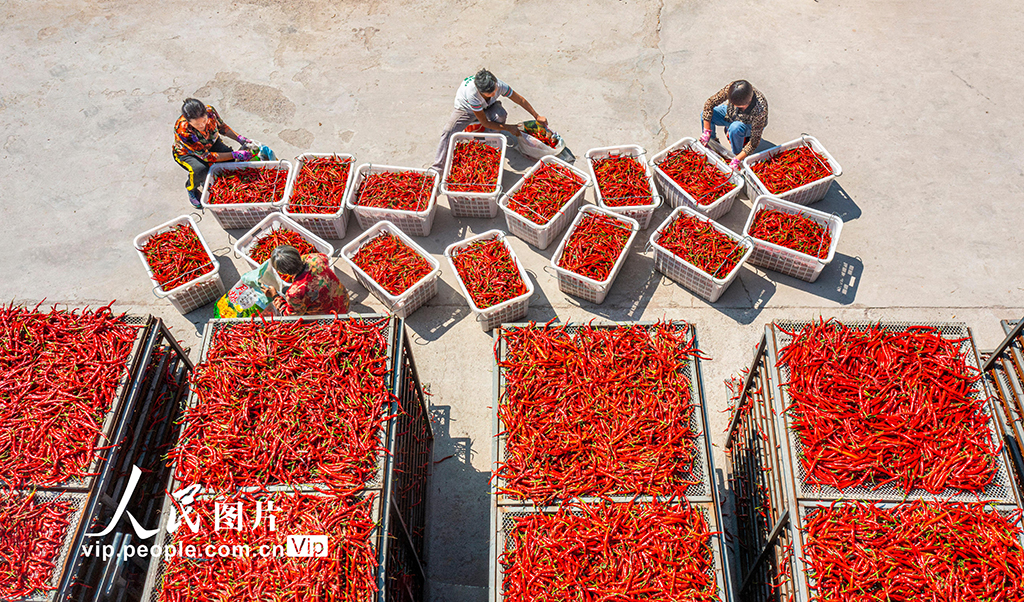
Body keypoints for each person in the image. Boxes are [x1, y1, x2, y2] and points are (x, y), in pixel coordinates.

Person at [431, 69, 548, 173]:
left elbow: (520, 100)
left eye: (495, 91)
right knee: (448, 131)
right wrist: (508, 128)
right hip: (466, 109)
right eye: (489, 93)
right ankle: (438, 169)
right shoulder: (472, 94)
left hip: (488, 105)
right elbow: (485, 122)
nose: (494, 94)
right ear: (480, 91)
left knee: (500, 115)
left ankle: (489, 144)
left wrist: (536, 116)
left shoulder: (499, 84)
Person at [173, 98, 262, 208]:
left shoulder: (210, 111)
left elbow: (222, 127)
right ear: (188, 121)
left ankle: (208, 180)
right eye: (197, 124)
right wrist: (235, 154)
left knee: (229, 160)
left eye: (204, 120)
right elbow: (206, 157)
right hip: (187, 154)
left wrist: (239, 138)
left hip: (211, 143)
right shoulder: (183, 129)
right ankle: (191, 188)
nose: (202, 125)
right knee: (200, 169)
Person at [699, 80, 769, 171]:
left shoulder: (760, 109)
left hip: (749, 125)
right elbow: (709, 103)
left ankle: (736, 154)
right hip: (731, 115)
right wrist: (707, 131)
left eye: (740, 106)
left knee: (735, 128)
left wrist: (737, 159)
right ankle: (713, 144)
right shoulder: (732, 89)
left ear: (749, 101)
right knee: (705, 115)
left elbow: (754, 142)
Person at [262, 246, 349, 316]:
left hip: (328, 315)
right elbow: (324, 258)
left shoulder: (294, 293)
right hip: (342, 299)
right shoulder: (315, 259)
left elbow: (290, 315)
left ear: (283, 272)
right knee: (286, 290)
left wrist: (275, 297)